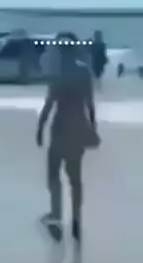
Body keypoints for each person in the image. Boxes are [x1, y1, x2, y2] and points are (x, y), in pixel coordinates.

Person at [36, 32, 99, 244]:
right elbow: (90, 103)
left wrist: (40, 127)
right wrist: (92, 127)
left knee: (53, 175)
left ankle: (56, 214)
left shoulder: (58, 72)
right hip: (78, 127)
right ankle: (76, 220)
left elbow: (50, 103)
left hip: (60, 128)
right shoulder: (83, 71)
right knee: (75, 178)